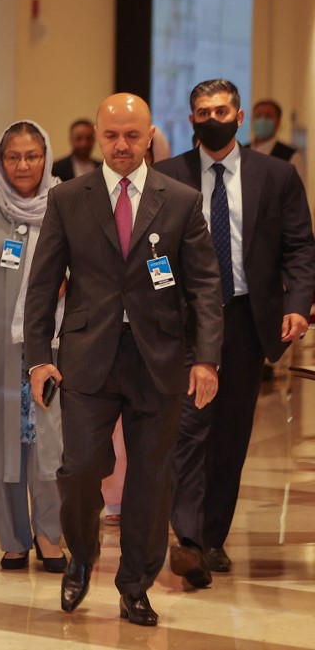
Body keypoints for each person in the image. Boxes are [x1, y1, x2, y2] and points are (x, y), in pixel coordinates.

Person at [24, 93, 223, 627]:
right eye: (111, 135)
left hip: (160, 360)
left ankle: (134, 583)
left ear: (150, 135)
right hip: (88, 359)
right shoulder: (69, 198)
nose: (120, 145)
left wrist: (206, 359)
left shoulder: (180, 199)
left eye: (132, 136)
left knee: (151, 481)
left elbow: (205, 284)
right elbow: (42, 283)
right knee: (80, 469)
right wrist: (39, 357)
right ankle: (82, 556)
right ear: (97, 133)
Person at [155, 79, 315, 586]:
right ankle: (189, 539)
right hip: (184, 321)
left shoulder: (277, 175)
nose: (212, 118)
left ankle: (214, 536)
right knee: (187, 430)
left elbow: (301, 249)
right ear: (191, 120)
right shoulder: (165, 176)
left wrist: (298, 306)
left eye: (221, 110)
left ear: (239, 116)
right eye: (202, 111)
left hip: (247, 318)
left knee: (229, 433)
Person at [0, 120, 66, 573]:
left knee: (50, 443)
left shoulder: (69, 203)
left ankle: (50, 534)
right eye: (13, 157)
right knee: (2, 440)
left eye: (32, 156)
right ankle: (12, 538)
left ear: (46, 158)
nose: (23, 165)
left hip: (55, 348)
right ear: (0, 160)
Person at [244, 98, 306, 183]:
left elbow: (298, 193)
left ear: (278, 121)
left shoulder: (292, 156)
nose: (262, 120)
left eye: (268, 116)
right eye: (258, 116)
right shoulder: (241, 152)